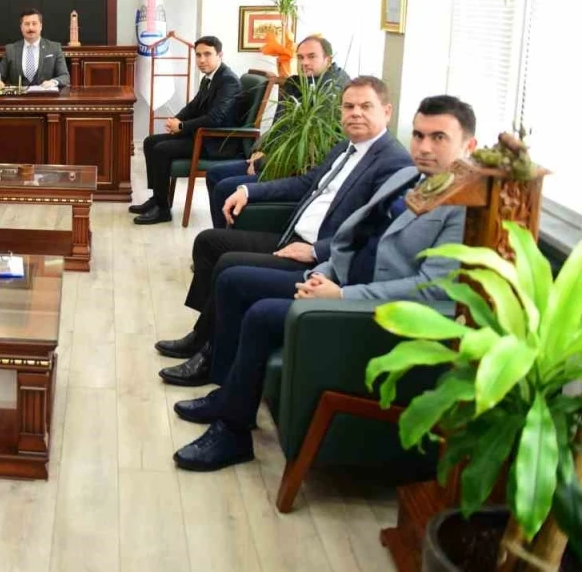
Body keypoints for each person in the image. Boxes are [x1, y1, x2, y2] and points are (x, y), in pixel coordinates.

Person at [171, 96, 477, 472]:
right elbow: (358, 237)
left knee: (262, 314)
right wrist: (327, 272)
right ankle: (226, 394)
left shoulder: (465, 207)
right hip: (337, 279)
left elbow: (433, 290)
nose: (424, 147)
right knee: (235, 280)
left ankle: (233, 432)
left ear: (469, 145)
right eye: (418, 135)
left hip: (370, 310)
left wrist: (342, 294)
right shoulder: (410, 178)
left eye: (439, 138)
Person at [155, 76, 414, 386]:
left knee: (228, 266)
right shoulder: (345, 147)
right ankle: (204, 334)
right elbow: (305, 183)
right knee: (209, 242)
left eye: (365, 106)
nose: (355, 113)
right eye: (349, 106)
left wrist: (317, 251)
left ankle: (211, 357)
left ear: (387, 111)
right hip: (291, 236)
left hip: (317, 256)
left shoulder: (394, 163)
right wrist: (248, 191)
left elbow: (374, 233)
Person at [205, 35, 350, 228]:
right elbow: (279, 125)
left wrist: (262, 163)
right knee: (214, 174)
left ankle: (227, 237)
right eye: (300, 57)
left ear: (328, 60)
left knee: (224, 187)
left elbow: (307, 145)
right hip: (275, 159)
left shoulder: (334, 89)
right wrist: (260, 149)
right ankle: (222, 235)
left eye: (311, 56)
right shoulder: (296, 83)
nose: (304, 63)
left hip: (300, 168)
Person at [131, 36, 242, 225]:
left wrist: (182, 126)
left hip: (216, 141)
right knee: (150, 142)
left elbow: (215, 119)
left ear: (220, 55)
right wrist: (177, 119)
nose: (202, 60)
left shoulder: (228, 81)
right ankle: (158, 198)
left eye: (207, 54)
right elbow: (193, 107)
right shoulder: (209, 78)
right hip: (202, 135)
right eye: (198, 55)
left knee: (161, 150)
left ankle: (163, 211)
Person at [0, 8, 70, 89]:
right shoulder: (11, 49)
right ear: (21, 27)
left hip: (45, 95)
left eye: (34, 24)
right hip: (18, 96)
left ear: (41, 26)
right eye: (27, 24)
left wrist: (53, 82)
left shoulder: (54, 48)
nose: (30, 28)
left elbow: (65, 76)